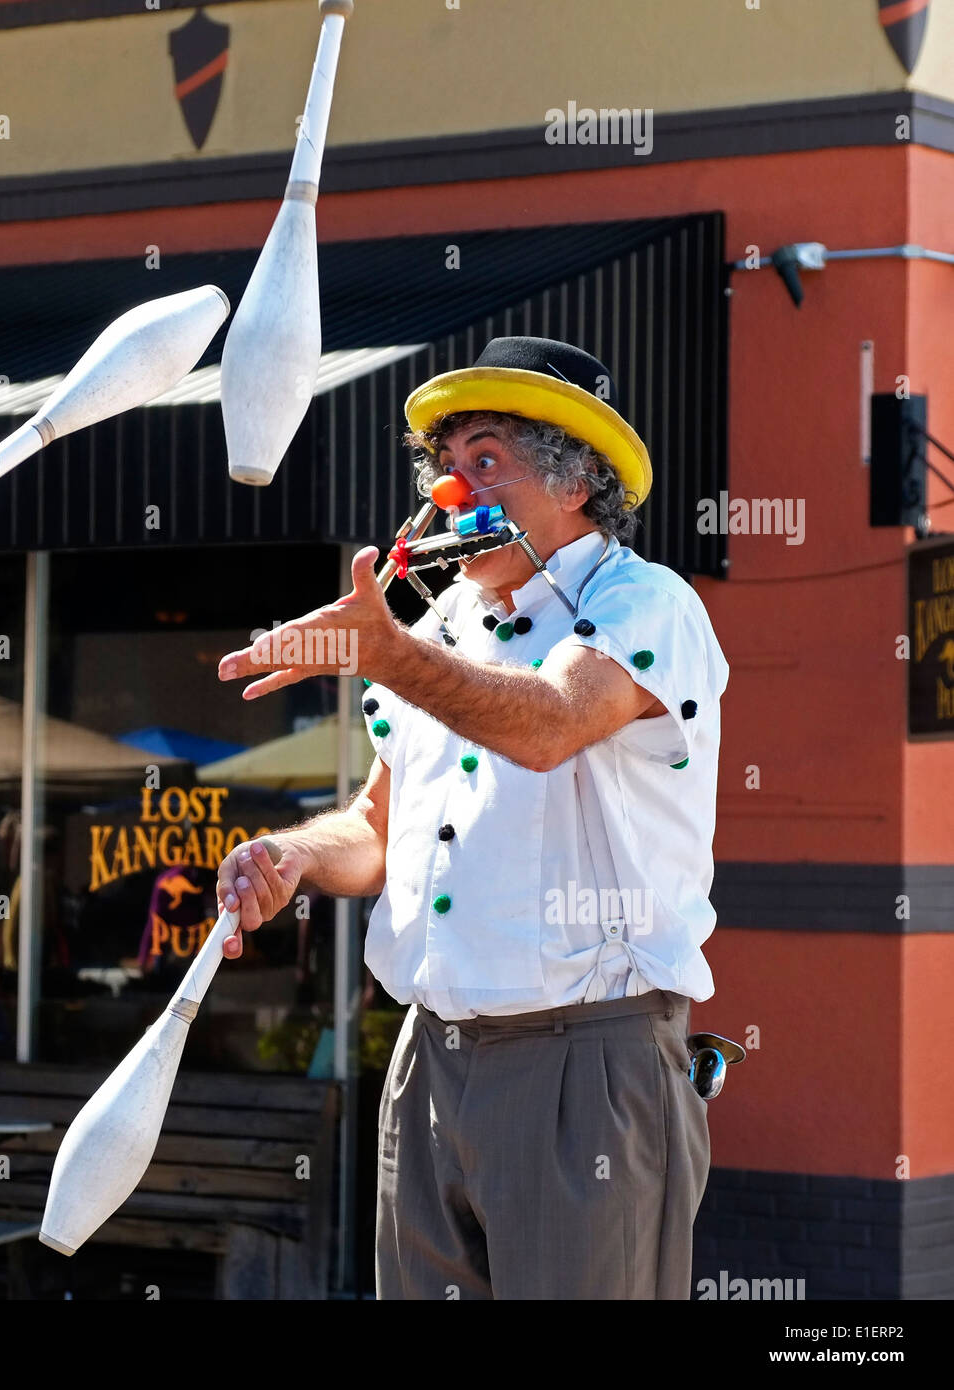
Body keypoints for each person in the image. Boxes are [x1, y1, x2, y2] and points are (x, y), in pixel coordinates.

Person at [215, 336, 729, 1300]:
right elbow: (379, 825)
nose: (452, 489)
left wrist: (390, 655)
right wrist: (288, 854)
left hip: (587, 1060)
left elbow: (553, 723)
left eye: (485, 458)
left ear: (576, 479)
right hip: (429, 1063)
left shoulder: (648, 602)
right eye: (446, 465)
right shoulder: (442, 625)